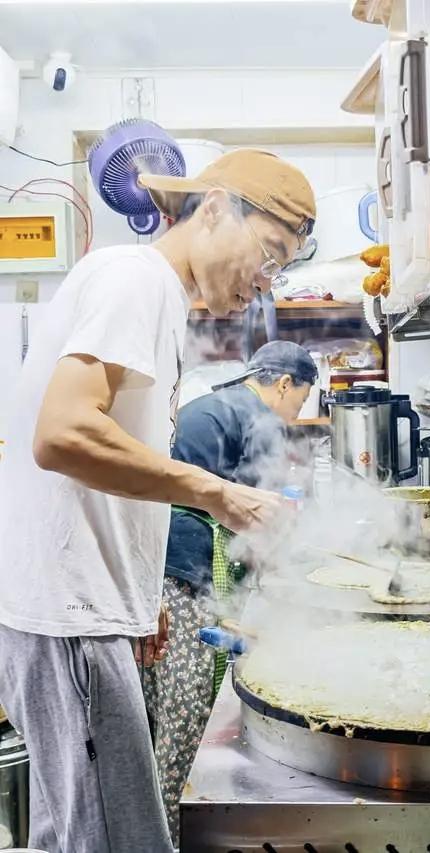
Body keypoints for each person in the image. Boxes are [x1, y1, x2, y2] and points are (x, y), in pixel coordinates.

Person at [0, 149, 316, 853]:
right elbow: (64, 435)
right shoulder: (134, 278)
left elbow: (116, 455)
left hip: (90, 606)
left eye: (282, 267)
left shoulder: (158, 297)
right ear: (212, 209)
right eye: (268, 252)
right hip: (71, 613)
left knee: (76, 831)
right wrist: (220, 492)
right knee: (121, 840)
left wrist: (144, 594)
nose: (266, 282)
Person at [145, 340, 317, 843]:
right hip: (189, 574)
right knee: (187, 716)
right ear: (283, 384)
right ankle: (172, 837)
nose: (296, 411)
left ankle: (154, 827)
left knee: (159, 713)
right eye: (300, 400)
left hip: (159, 573)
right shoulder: (259, 418)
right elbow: (262, 520)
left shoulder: (213, 402)